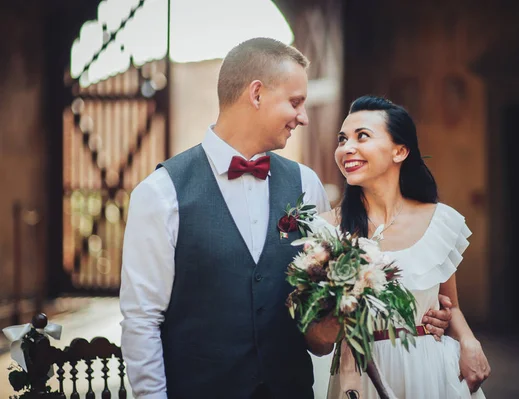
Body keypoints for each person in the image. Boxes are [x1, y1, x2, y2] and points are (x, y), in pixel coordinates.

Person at [119, 38, 452, 399]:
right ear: (257, 94)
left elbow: (335, 304)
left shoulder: (306, 185)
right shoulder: (160, 193)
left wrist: (425, 315)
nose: (304, 117)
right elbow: (142, 321)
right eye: (295, 102)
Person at [307, 95, 491, 398]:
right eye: (342, 139)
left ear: (400, 151)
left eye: (361, 136)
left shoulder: (438, 220)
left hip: (433, 370)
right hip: (362, 376)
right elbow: (316, 339)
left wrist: (470, 343)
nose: (346, 148)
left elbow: (450, 305)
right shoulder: (325, 231)